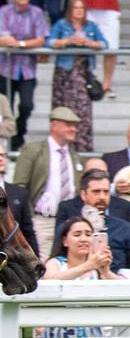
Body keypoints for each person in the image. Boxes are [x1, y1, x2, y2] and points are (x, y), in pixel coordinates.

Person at [11, 107, 84, 253]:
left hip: (70, 221)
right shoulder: (33, 150)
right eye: (69, 125)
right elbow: (19, 186)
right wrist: (28, 216)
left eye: (75, 125)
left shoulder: (74, 156)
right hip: (42, 220)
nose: (74, 129)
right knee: (43, 263)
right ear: (54, 125)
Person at [44, 0, 105, 150]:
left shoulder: (91, 27)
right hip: (64, 74)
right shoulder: (61, 24)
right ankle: (61, 146)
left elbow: (104, 43)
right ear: (70, 10)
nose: (78, 11)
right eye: (75, 8)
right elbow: (49, 41)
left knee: (83, 112)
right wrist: (66, 41)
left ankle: (83, 148)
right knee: (62, 109)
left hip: (83, 74)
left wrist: (88, 43)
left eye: (81, 8)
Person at [52, 167, 130, 271]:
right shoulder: (68, 229)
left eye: (106, 192)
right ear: (83, 194)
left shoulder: (124, 229)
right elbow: (55, 260)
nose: (102, 197)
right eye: (96, 192)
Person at [0, 0, 51, 150]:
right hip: (5, 69)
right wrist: (10, 42)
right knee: (6, 108)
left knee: (27, 105)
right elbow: (2, 38)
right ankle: (9, 141)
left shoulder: (37, 13)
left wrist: (19, 45)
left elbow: (41, 39)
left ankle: (18, 134)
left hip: (27, 70)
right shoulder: (4, 11)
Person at [0, 144, 39, 255]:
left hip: (14, 258)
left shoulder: (19, 193)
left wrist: (36, 260)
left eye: (3, 155)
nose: (1, 158)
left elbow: (28, 232)